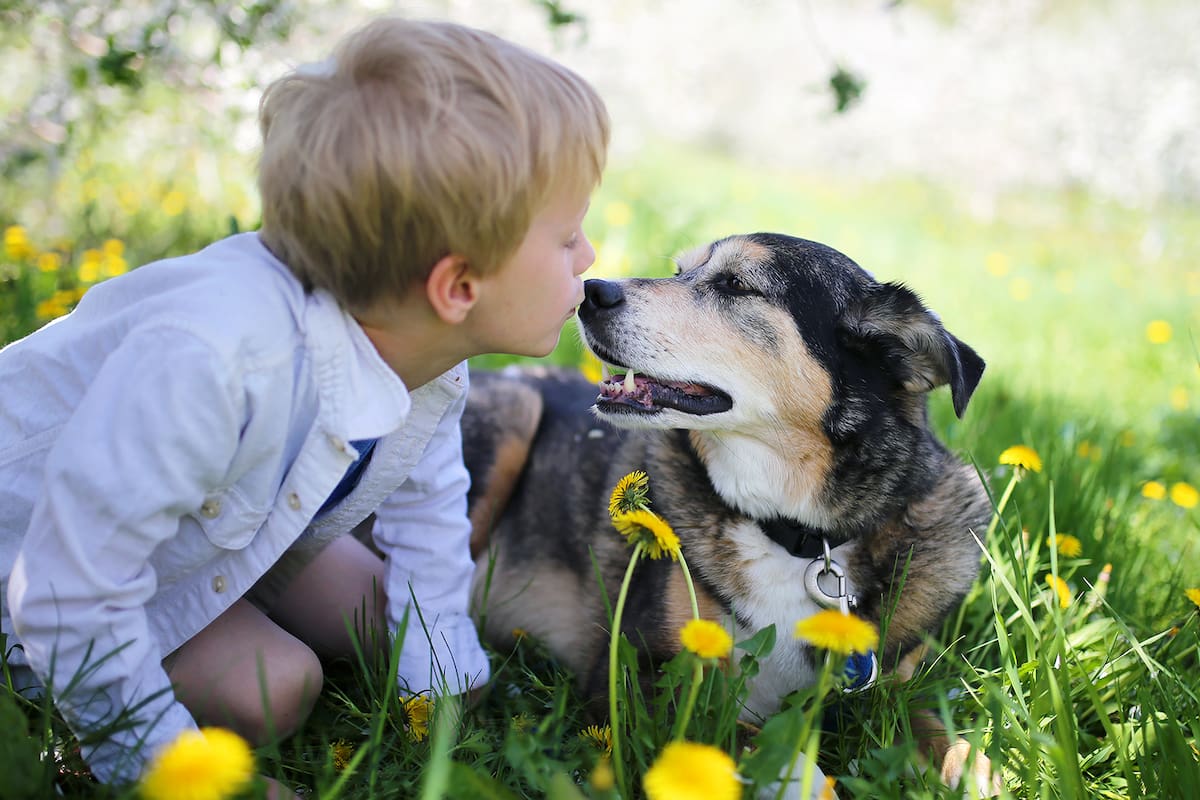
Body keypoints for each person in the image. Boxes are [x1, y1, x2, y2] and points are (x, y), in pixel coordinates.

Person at [0, 15, 608, 790]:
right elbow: (67, 590)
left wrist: (444, 683)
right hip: (32, 568)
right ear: (457, 286)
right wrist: (169, 775)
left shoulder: (424, 353)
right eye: (566, 238)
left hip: (213, 530)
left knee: (381, 616)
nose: (589, 257)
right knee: (276, 685)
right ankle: (83, 744)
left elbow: (430, 513)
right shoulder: (214, 357)